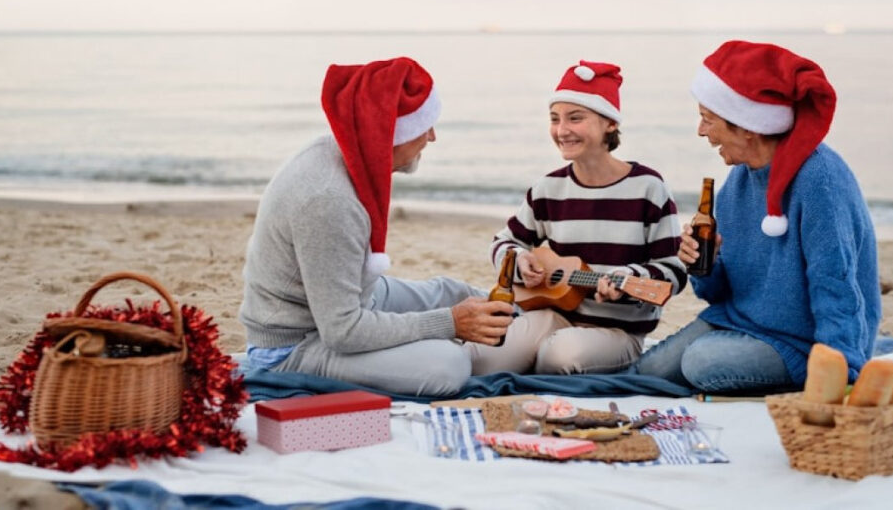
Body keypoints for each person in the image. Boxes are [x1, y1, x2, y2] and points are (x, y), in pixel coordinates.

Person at [238, 57, 512, 396]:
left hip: (347, 301)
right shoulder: (329, 200)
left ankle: (531, 316)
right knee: (448, 365)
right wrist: (451, 323)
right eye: (424, 126)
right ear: (391, 134)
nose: (432, 136)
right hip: (294, 346)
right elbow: (343, 331)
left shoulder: (346, 152)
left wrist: (458, 313)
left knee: (455, 292)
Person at [633, 40, 881, 394]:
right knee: (648, 372)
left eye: (707, 119)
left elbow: (837, 285)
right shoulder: (738, 183)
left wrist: (842, 372)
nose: (701, 131)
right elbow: (718, 293)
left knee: (701, 363)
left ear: (747, 126)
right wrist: (706, 264)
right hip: (741, 323)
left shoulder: (818, 179)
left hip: (802, 344)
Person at [468, 60, 686, 375]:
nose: (562, 130)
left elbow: (673, 270)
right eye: (555, 119)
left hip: (619, 332)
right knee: (482, 362)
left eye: (575, 118)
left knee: (558, 356)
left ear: (610, 123)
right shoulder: (548, 187)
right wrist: (518, 260)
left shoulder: (648, 187)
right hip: (554, 314)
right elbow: (504, 241)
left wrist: (629, 278)